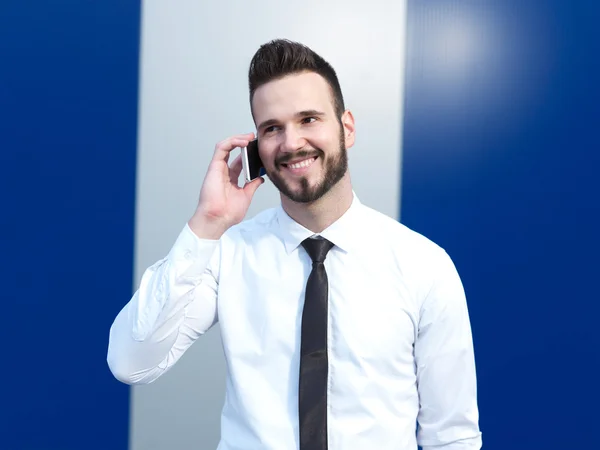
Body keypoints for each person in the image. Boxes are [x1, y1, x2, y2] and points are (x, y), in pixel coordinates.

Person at [107, 39, 482, 450]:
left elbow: (453, 437)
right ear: (256, 148)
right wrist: (207, 223)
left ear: (347, 127)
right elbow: (131, 362)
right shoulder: (228, 253)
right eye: (272, 128)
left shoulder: (423, 265)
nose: (291, 143)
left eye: (309, 119)